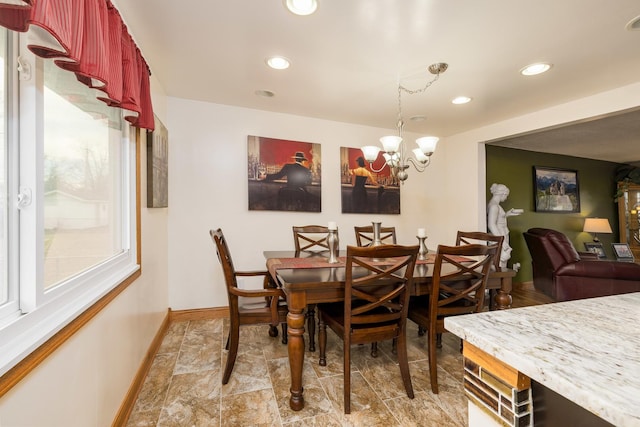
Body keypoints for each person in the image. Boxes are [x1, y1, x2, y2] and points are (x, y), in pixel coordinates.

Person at [487, 183, 522, 269]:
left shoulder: (494, 205)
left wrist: (507, 214)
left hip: (501, 233)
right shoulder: (494, 206)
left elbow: (497, 219)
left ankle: (501, 280)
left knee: (501, 260)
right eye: (506, 196)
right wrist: (502, 241)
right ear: (502, 194)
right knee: (500, 261)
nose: (506, 198)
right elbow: (491, 224)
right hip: (499, 234)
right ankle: (501, 280)